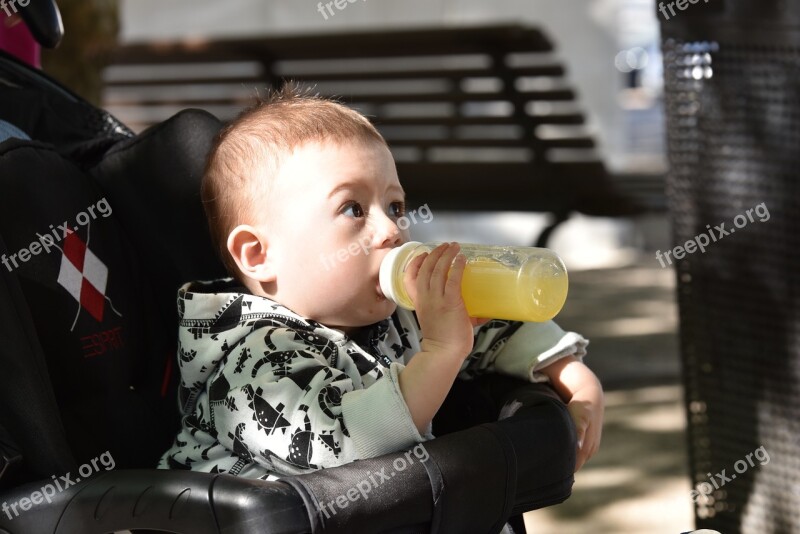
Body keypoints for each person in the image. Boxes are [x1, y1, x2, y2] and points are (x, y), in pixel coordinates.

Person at [158, 85, 603, 485]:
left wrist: (571, 376)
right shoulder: (253, 361)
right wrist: (442, 352)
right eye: (353, 209)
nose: (391, 229)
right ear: (259, 255)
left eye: (394, 205)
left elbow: (491, 328)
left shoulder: (403, 317)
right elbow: (350, 444)